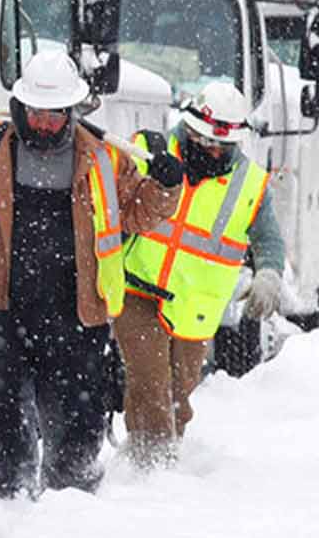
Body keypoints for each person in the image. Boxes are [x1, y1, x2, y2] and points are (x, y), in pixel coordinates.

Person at [0, 49, 181, 499]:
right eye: (36, 113)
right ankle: (6, 491)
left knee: (79, 415)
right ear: (20, 107)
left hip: (77, 314)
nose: (43, 124)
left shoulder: (105, 159)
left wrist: (166, 186)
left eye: (54, 116)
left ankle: (71, 496)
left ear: (72, 112)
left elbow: (140, 211)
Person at [116, 83, 286, 467]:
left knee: (177, 396)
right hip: (137, 287)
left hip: (195, 306)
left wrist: (269, 274)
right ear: (189, 127)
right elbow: (115, 201)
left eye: (220, 145)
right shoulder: (150, 151)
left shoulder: (250, 183)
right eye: (203, 140)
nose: (211, 150)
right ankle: (154, 467)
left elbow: (268, 238)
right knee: (150, 381)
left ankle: (146, 458)